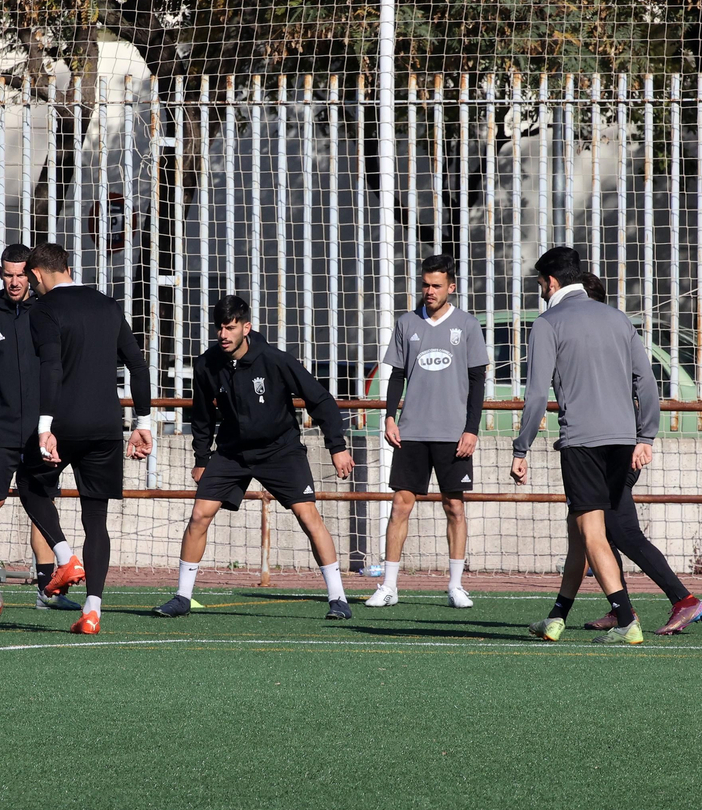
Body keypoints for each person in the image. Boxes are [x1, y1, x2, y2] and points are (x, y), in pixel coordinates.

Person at [155, 295, 356, 620]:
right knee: (199, 516)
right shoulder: (207, 365)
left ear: (245, 327)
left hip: (280, 449)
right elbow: (203, 416)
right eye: (219, 327)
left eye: (230, 327)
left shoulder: (274, 360)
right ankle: (182, 597)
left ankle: (338, 599)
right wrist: (202, 458)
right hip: (232, 452)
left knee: (308, 517)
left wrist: (337, 447)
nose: (224, 334)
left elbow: (320, 399)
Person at [513, 247, 657, 645]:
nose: (540, 290)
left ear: (551, 282)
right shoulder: (618, 318)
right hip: (623, 440)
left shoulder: (547, 323)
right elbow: (646, 383)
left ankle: (627, 619)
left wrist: (521, 448)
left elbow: (537, 396)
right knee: (578, 529)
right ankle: (556, 617)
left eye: (540, 283)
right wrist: (645, 436)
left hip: (582, 442)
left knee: (591, 530)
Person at [561, 272, 702, 636]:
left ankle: (684, 599)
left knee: (621, 531)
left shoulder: (607, 334)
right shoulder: (601, 336)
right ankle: (620, 608)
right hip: (606, 446)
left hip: (616, 450)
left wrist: (646, 437)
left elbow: (645, 384)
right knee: (602, 533)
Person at [26, 243, 153, 634]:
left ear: (36, 275)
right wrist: (143, 421)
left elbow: (50, 366)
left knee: (30, 484)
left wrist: (45, 425)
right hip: (106, 426)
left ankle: (65, 557)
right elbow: (137, 363)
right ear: (67, 266)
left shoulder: (44, 310)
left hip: (65, 423)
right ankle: (93, 609)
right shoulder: (108, 306)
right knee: (96, 518)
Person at [0, 244, 81, 611]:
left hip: (41, 433)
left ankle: (47, 592)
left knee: (42, 507)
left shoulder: (49, 314)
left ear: (33, 274)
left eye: (21, 275)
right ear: (0, 274)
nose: (14, 282)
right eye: (8, 275)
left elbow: (66, 372)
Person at [364, 254, 487, 610]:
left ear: (451, 287)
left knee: (454, 507)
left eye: (436, 285)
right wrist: (389, 416)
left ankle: (455, 586)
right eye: (425, 284)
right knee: (401, 505)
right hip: (412, 431)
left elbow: (478, 380)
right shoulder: (407, 323)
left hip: (453, 434)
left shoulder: (466, 325)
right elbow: (397, 374)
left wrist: (471, 430)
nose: (429, 291)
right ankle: (388, 586)